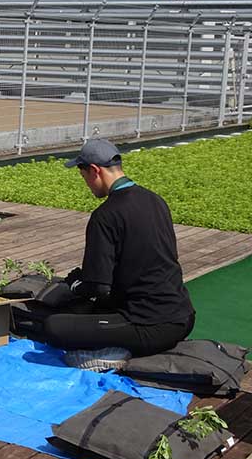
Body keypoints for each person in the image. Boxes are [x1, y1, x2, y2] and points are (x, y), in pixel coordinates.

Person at [41, 138, 195, 369]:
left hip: (150, 326)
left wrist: (73, 285)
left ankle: (114, 355)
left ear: (94, 171)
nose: (87, 185)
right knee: (95, 312)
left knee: (54, 326)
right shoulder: (154, 200)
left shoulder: (106, 215)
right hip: (184, 315)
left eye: (84, 178)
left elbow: (98, 288)